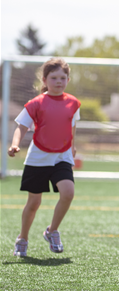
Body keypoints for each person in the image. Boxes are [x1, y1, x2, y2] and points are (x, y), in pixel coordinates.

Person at [8, 58, 81, 257]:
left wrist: (72, 149)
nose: (59, 81)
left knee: (68, 192)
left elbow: (72, 128)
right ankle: (22, 238)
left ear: (68, 79)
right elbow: (21, 127)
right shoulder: (36, 103)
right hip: (38, 158)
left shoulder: (73, 103)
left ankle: (52, 231)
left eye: (63, 78)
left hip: (62, 157)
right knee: (34, 203)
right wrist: (15, 144)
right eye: (54, 77)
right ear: (45, 79)